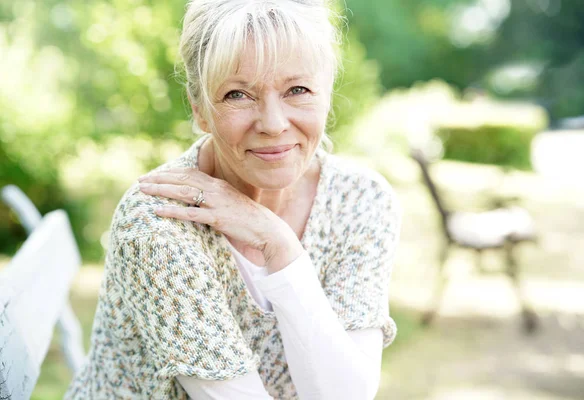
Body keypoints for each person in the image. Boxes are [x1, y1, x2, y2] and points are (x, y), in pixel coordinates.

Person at [65, 0, 401, 399]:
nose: (274, 124)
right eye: (238, 95)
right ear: (200, 110)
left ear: (326, 95)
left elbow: (343, 394)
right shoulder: (156, 225)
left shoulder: (359, 200)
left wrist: (277, 243)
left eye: (298, 89)